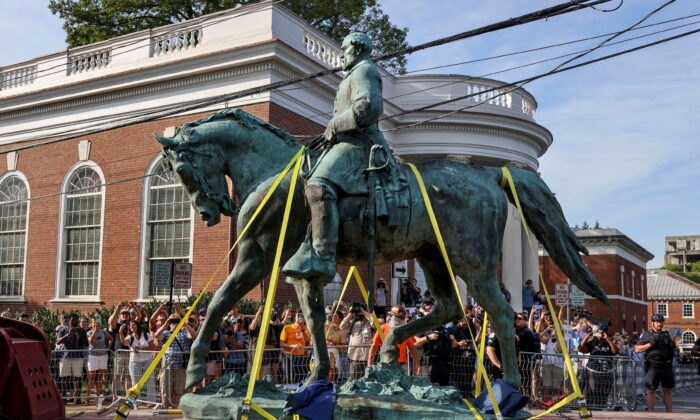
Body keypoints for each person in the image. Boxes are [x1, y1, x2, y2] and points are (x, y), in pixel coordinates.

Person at [281, 31, 405, 282]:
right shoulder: (353, 74)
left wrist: (335, 125)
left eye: (344, 49)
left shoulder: (364, 71)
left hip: (361, 144)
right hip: (348, 142)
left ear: (357, 49)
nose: (340, 55)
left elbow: (368, 107)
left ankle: (324, 256)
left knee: (317, 185)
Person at [635, 313, 676, 413]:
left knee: (668, 390)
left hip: (667, 366)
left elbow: (673, 350)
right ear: (652, 323)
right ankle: (650, 413)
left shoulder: (666, 334)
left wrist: (673, 345)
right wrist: (650, 344)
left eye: (661, 322)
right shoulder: (647, 334)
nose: (659, 324)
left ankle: (669, 414)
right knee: (651, 390)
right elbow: (637, 349)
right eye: (657, 322)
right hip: (653, 366)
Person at [155, 314, 198, 409]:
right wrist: (166, 323)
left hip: (181, 367)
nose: (174, 324)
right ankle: (165, 411)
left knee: (179, 392)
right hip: (167, 367)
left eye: (176, 321)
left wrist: (185, 324)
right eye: (172, 322)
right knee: (165, 392)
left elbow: (195, 336)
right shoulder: (166, 333)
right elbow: (156, 336)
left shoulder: (184, 333)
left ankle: (176, 411)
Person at [367, 305, 420, 375]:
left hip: (401, 366)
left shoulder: (405, 330)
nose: (401, 320)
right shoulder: (383, 328)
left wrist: (418, 365)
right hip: (385, 365)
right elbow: (374, 346)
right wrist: (369, 363)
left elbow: (412, 348)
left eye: (402, 318)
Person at [579, 323, 618, 408]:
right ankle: (591, 407)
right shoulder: (592, 342)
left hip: (606, 372)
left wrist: (607, 339)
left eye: (602, 333)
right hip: (593, 371)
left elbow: (615, 352)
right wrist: (587, 337)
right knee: (592, 392)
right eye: (598, 332)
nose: (600, 335)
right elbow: (581, 349)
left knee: (604, 393)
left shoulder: (608, 343)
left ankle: (602, 408)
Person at [109, 303, 142, 400]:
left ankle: (128, 396)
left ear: (129, 315)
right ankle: (115, 396)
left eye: (127, 314)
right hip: (119, 352)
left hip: (130, 352)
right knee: (117, 375)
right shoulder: (118, 324)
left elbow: (139, 316)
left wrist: (134, 306)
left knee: (128, 376)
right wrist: (117, 309)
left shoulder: (132, 325)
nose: (125, 315)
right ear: (120, 315)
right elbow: (111, 322)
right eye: (123, 314)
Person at [119, 320, 156, 405]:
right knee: (135, 382)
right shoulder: (130, 337)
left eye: (134, 325)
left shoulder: (146, 335)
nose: (132, 326)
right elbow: (124, 343)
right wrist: (120, 332)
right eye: (130, 325)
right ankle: (136, 403)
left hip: (147, 360)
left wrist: (141, 350)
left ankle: (151, 402)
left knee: (150, 381)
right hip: (134, 361)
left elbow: (152, 346)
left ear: (138, 325)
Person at [56, 313, 88, 404]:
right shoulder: (63, 329)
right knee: (64, 378)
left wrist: (80, 335)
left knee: (77, 378)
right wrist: (68, 335)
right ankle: (64, 398)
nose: (74, 321)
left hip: (78, 357)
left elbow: (86, 344)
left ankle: (77, 398)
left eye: (75, 320)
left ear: (78, 321)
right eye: (72, 319)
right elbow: (58, 342)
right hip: (65, 357)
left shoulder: (82, 330)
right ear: (69, 320)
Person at [340, 304, 374, 379]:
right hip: (354, 357)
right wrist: (350, 313)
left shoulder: (370, 323)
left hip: (367, 358)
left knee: (368, 380)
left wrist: (365, 312)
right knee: (354, 380)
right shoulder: (353, 323)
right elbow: (341, 326)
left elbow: (375, 323)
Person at [448, 313, 477, 398]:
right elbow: (450, 340)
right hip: (455, 358)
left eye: (467, 323)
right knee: (460, 378)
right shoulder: (454, 329)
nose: (466, 325)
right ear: (460, 321)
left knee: (464, 378)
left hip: (461, 358)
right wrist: (459, 344)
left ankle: (467, 395)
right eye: (465, 323)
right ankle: (465, 396)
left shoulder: (462, 331)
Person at [249, 306, 282, 381]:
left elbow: (274, 346)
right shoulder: (255, 325)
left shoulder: (269, 328)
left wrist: (264, 346)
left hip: (265, 360)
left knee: (264, 381)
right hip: (252, 358)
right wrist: (258, 312)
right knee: (252, 380)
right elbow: (252, 328)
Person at [85, 317, 112, 405]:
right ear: (91, 324)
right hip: (93, 356)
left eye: (97, 322)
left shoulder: (103, 332)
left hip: (103, 356)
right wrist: (95, 331)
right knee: (92, 377)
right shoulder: (89, 332)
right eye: (93, 322)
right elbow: (91, 341)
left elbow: (111, 339)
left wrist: (108, 347)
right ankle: (87, 398)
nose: (95, 324)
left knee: (100, 377)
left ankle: (98, 397)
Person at [280, 312, 312, 383]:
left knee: (301, 376)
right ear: (295, 318)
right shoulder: (287, 328)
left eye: (302, 316)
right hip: (288, 355)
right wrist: (293, 346)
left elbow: (307, 342)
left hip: (301, 356)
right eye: (298, 316)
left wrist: (302, 329)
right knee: (288, 375)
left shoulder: (307, 329)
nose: (300, 318)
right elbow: (281, 343)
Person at [514, 312, 540, 398]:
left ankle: (527, 400)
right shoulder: (517, 330)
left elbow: (516, 339)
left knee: (525, 381)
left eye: (519, 318)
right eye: (516, 318)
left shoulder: (525, 331)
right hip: (518, 361)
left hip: (525, 361)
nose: (516, 320)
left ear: (525, 321)